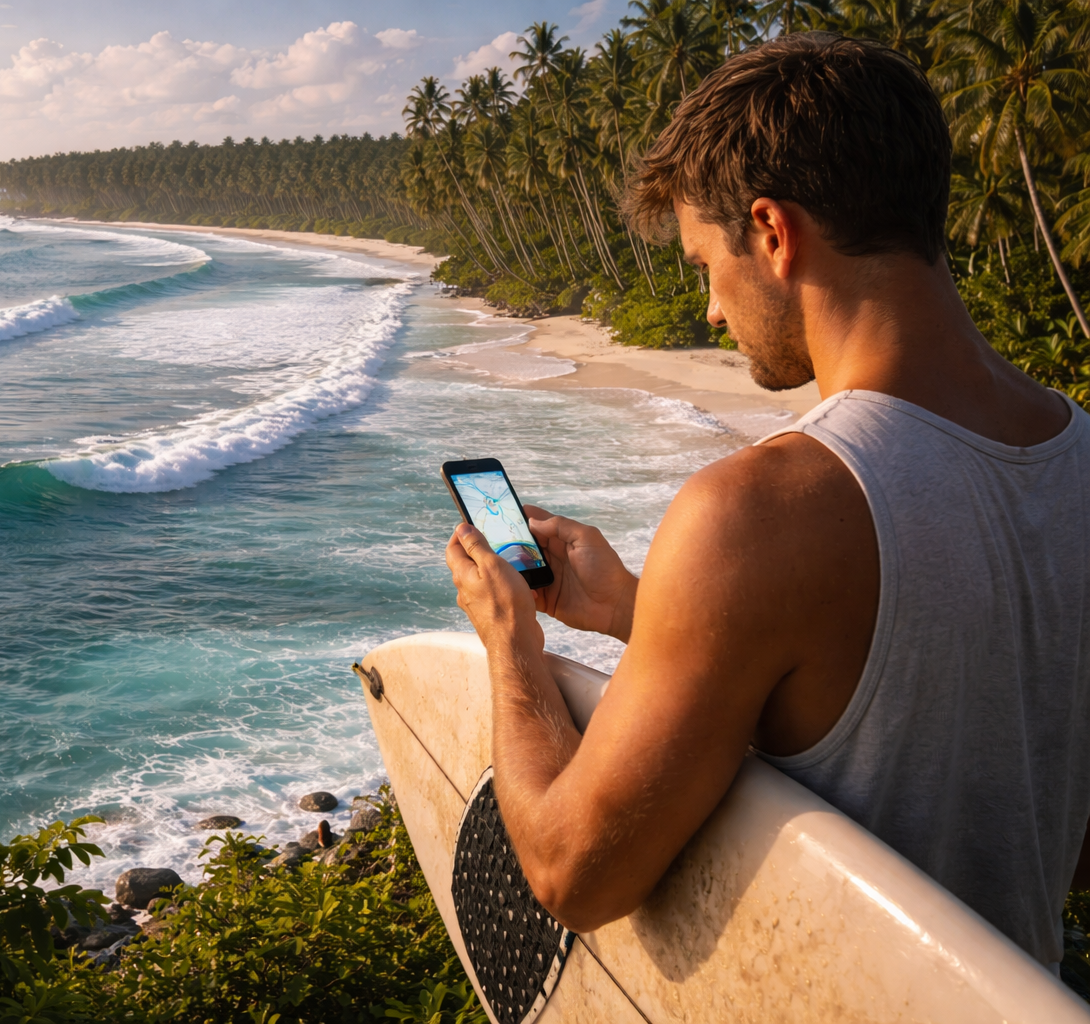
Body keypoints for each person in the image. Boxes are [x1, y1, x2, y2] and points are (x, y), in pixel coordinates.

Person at [444, 32, 1090, 972]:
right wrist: (640, 612)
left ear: (773, 235)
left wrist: (514, 644)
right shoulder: (1076, 453)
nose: (710, 308)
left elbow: (570, 873)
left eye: (706, 264)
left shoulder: (760, 510)